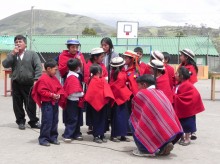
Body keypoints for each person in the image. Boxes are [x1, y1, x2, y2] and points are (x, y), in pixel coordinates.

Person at [130, 74, 183, 157]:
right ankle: (164, 146)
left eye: (139, 85)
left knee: (133, 120)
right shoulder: (160, 92)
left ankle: (144, 150)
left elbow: (135, 110)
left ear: (144, 85)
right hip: (171, 131)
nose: (138, 88)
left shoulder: (142, 93)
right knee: (153, 122)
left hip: (162, 129)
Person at [2, 35, 42, 130]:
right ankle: (20, 121)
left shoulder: (32, 54)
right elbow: (5, 64)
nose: (18, 44)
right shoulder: (12, 54)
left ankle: (33, 121)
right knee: (17, 104)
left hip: (29, 83)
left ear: (25, 44)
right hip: (16, 83)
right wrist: (12, 54)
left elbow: (38, 67)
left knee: (30, 103)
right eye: (16, 42)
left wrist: (36, 79)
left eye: (20, 42)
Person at [32, 60, 66, 146]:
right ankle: (43, 139)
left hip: (54, 103)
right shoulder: (43, 78)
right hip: (47, 104)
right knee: (47, 121)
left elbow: (59, 88)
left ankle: (53, 137)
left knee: (55, 121)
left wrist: (58, 94)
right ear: (48, 69)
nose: (56, 71)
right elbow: (41, 91)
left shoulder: (54, 77)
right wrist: (51, 95)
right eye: (55, 69)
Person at [174, 66, 205, 146]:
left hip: (187, 109)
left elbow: (192, 95)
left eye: (177, 73)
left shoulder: (186, 85)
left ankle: (187, 139)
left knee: (187, 125)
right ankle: (183, 137)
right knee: (181, 124)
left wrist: (175, 97)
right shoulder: (180, 83)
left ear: (181, 76)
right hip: (183, 108)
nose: (175, 75)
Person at [84, 64, 115, 143]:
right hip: (97, 104)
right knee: (97, 120)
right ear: (98, 72)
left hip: (102, 103)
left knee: (102, 120)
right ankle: (96, 135)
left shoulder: (98, 80)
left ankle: (101, 134)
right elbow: (93, 93)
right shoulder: (94, 80)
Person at [84, 47, 108, 134]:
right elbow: (86, 79)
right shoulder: (88, 65)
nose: (102, 59)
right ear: (95, 57)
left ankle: (100, 130)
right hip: (93, 92)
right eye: (101, 57)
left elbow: (105, 74)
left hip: (101, 92)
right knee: (93, 112)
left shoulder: (102, 65)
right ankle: (93, 128)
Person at [109, 57, 132, 142]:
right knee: (123, 117)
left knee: (116, 118)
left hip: (116, 99)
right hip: (121, 98)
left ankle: (117, 135)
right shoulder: (121, 75)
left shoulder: (113, 73)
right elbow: (120, 87)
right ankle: (120, 135)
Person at [62, 58, 84, 142]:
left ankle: (76, 133)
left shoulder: (73, 75)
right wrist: (82, 94)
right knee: (73, 118)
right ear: (77, 67)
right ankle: (67, 135)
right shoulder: (72, 78)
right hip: (72, 101)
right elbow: (72, 92)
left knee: (77, 118)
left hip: (76, 101)